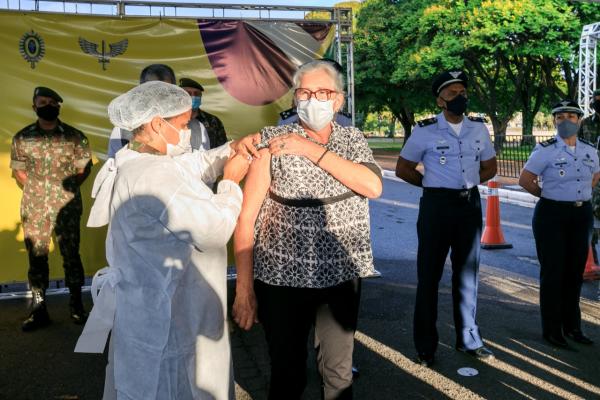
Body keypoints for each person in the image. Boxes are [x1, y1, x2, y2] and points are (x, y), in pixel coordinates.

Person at [75, 81, 259, 400]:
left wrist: (231, 149)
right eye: (184, 124)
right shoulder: (152, 174)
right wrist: (230, 182)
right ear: (158, 123)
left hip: (148, 303)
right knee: (169, 382)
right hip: (165, 311)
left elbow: (191, 166)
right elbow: (215, 229)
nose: (188, 132)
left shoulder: (135, 160)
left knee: (152, 380)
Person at [232, 60, 382, 400]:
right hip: (281, 279)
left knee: (339, 374)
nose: (313, 100)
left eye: (323, 92)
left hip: (341, 276)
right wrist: (244, 289)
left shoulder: (352, 139)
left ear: (339, 100)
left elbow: (372, 186)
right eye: (305, 92)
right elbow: (246, 219)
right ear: (295, 97)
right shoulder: (272, 140)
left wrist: (311, 149)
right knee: (287, 373)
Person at [395, 70, 497, 367]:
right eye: (452, 94)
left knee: (468, 275)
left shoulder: (479, 129)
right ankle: (425, 346)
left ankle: (468, 339)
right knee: (429, 276)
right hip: (436, 208)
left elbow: (489, 167)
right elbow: (404, 168)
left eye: (462, 92)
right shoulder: (424, 131)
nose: (460, 98)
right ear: (440, 100)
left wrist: (466, 183)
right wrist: (433, 185)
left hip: (469, 206)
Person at [10, 86, 92, 331]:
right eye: (43, 101)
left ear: (58, 106)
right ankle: (39, 310)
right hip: (34, 206)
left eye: (52, 102)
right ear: (34, 106)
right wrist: (40, 190)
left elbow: (83, 168)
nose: (48, 105)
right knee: (37, 258)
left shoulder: (76, 136)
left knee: (71, 257)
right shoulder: (22, 137)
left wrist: (61, 191)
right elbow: (18, 171)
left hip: (66, 206)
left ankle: (77, 308)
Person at [519, 100, 599, 348]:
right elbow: (526, 179)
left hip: (581, 215)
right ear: (554, 121)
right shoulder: (545, 150)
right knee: (553, 273)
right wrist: (550, 196)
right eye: (560, 116)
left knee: (574, 274)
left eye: (571, 117)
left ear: (579, 121)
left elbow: (596, 177)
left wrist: (579, 196)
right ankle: (552, 330)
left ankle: (573, 327)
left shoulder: (589, 150)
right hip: (551, 216)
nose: (566, 121)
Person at [106, 64, 177, 158]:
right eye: (153, 89)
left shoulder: (187, 125)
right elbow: (114, 164)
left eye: (165, 90)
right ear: (142, 90)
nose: (159, 95)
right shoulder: (125, 128)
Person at [578, 89, 600, 264]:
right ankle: (591, 262)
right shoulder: (585, 124)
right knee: (590, 221)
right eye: (597, 101)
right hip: (592, 180)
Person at [180, 77, 229, 151]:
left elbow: (222, 149)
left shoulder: (213, 121)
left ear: (200, 97)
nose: (193, 96)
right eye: (188, 93)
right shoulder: (172, 120)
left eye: (196, 94)